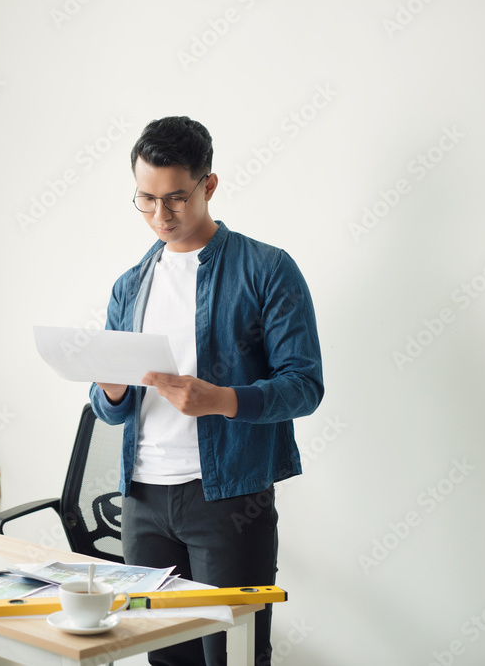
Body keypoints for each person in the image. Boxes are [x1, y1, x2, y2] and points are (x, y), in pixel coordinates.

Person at [89, 116, 324, 666]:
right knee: (164, 655)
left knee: (233, 655)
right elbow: (109, 409)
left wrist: (221, 399)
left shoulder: (266, 269)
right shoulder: (130, 285)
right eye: (145, 200)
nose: (160, 216)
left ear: (208, 186)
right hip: (142, 498)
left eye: (175, 198)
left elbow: (305, 386)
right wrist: (113, 393)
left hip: (228, 498)